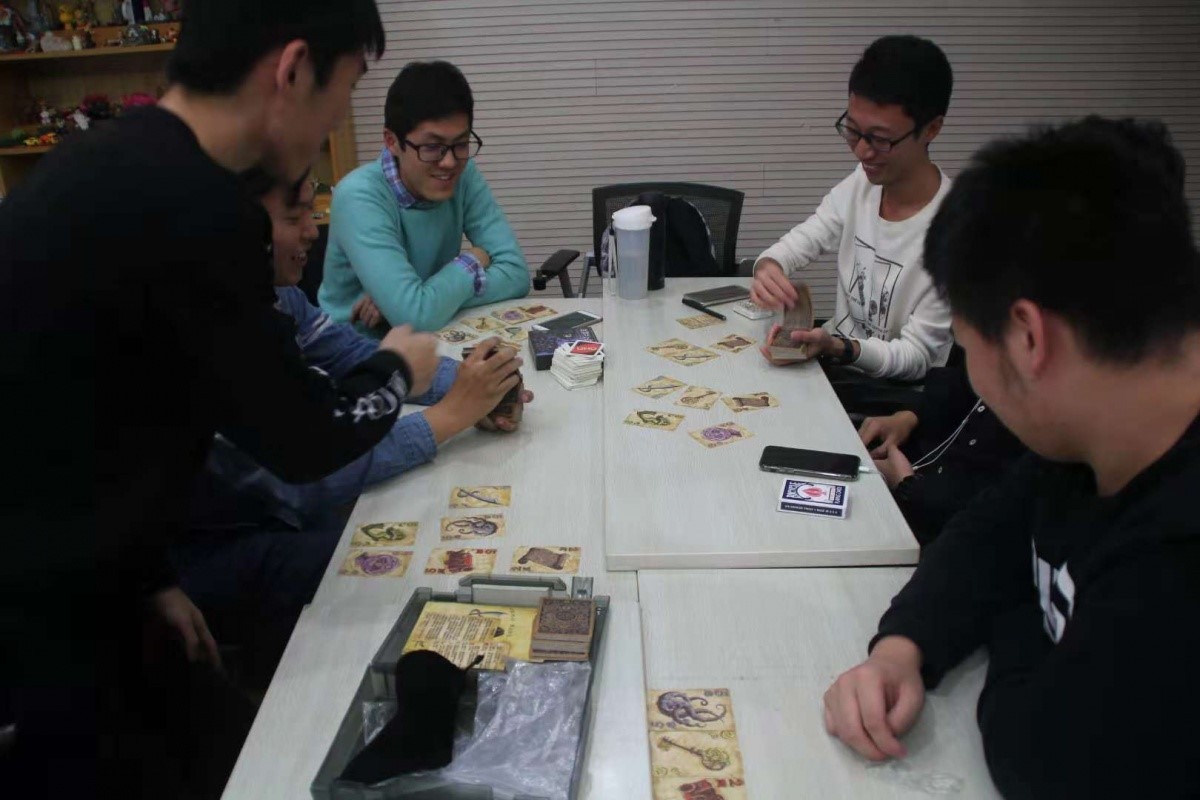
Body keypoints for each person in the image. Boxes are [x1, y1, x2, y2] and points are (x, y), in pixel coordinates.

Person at [0, 2, 449, 796]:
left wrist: (145, 576)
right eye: (343, 94)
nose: (333, 125)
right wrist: (397, 369)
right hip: (49, 618)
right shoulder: (196, 208)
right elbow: (303, 439)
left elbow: (96, 415)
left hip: (90, 579)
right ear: (294, 70)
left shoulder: (107, 165)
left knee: (234, 742)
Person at [822, 117, 1200, 798]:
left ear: (1027, 337)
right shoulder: (1092, 429)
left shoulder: (1174, 556)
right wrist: (902, 648)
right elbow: (988, 531)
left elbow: (1046, 759)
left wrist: (1016, 609)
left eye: (968, 350)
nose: (970, 376)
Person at [179, 175, 530, 690]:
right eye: (295, 216)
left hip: (270, 507)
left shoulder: (279, 297)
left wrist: (479, 383)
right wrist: (449, 416)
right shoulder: (208, 336)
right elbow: (302, 479)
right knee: (375, 574)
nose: (313, 231)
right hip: (205, 548)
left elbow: (356, 358)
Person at [751, 35, 954, 388]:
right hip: (836, 366)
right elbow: (806, 237)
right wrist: (769, 266)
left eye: (880, 139)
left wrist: (839, 347)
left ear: (931, 129)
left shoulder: (957, 231)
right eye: (853, 131)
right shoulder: (863, 182)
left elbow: (917, 358)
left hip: (893, 397)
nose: (862, 152)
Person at [319, 60, 530, 333]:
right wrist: (474, 260)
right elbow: (415, 317)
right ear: (392, 141)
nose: (449, 162)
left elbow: (517, 275)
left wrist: (410, 302)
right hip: (356, 347)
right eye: (432, 147)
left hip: (433, 334)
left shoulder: (464, 174)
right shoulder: (359, 196)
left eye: (461, 144)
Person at [857, 348, 1025, 545]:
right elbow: (958, 384)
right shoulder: (992, 357)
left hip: (941, 525)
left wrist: (907, 485)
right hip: (924, 476)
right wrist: (911, 416)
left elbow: (997, 519)